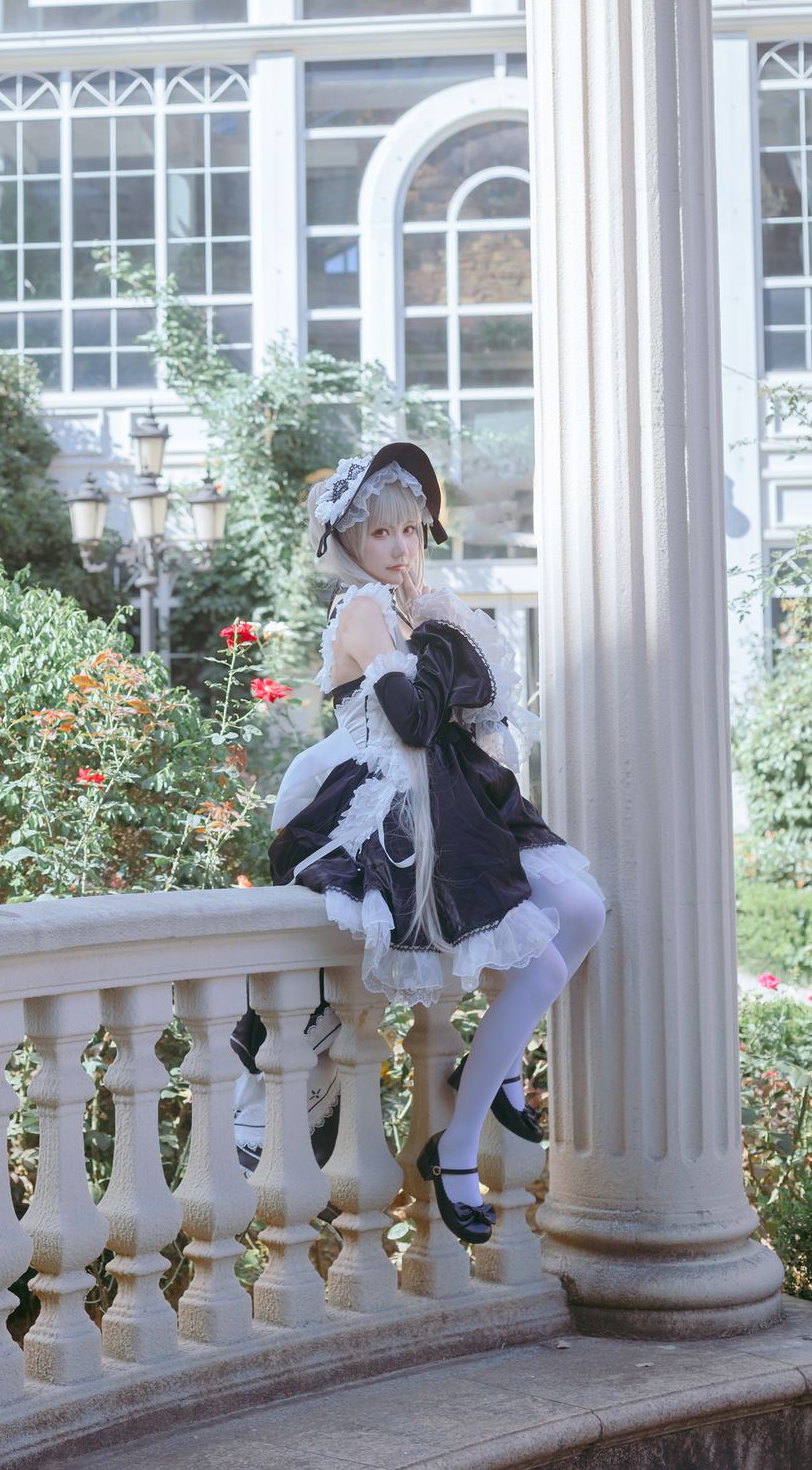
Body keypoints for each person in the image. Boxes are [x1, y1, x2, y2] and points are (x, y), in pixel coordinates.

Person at [237, 442, 606, 1247]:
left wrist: (442, 633)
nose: (401, 548)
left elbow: (478, 717)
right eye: (381, 534)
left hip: (459, 799)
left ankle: (495, 1067)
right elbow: (411, 722)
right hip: (394, 813)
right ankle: (458, 1151)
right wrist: (443, 643)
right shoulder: (365, 611)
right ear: (350, 543)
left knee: (584, 909)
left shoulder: (418, 606)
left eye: (411, 530)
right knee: (543, 966)